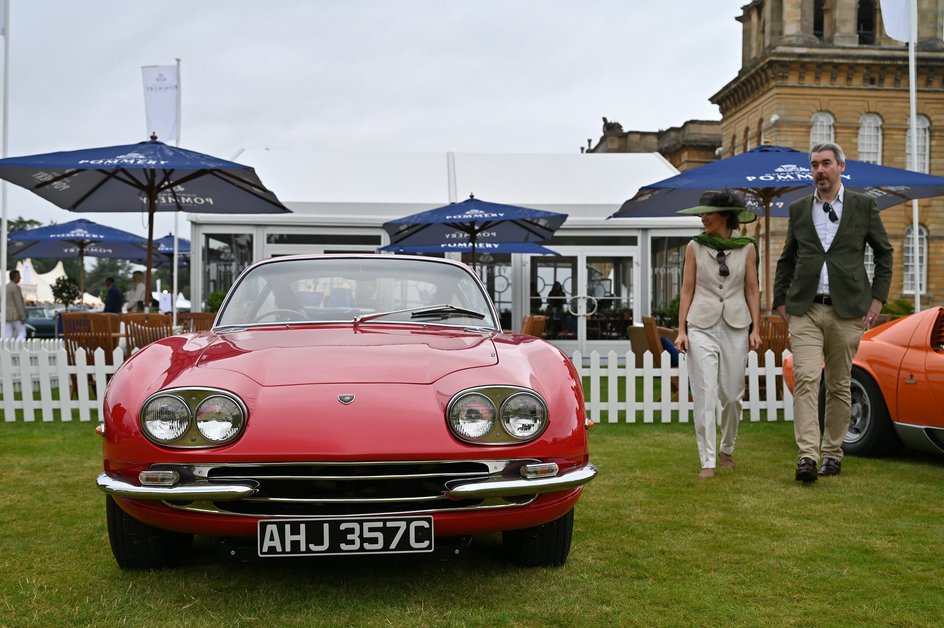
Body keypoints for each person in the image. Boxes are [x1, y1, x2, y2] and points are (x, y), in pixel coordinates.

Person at [773, 142, 893, 482]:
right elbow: (787, 259)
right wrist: (781, 301)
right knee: (807, 379)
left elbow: (884, 254)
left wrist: (878, 300)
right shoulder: (798, 209)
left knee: (839, 384)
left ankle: (832, 453)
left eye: (825, 164)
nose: (819, 171)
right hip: (806, 309)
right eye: (814, 165)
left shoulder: (864, 206)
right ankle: (807, 456)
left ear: (841, 167)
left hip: (848, 310)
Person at [674, 190, 761, 479]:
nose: (703, 217)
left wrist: (756, 328)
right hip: (701, 326)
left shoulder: (748, 247)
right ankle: (707, 459)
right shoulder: (694, 247)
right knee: (705, 394)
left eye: (709, 212)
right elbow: (687, 289)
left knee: (733, 395)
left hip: (736, 325)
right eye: (702, 212)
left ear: (725, 215)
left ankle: (727, 448)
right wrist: (682, 329)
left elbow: (751, 289)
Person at [4, 270, 28, 341]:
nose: (20, 278)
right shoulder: (16, 288)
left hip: (6, 315)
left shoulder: (5, 287)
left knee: (7, 335)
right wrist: (22, 316)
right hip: (16, 315)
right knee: (22, 332)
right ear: (15, 277)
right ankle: (17, 348)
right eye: (19, 276)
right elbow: (19, 303)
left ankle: (6, 350)